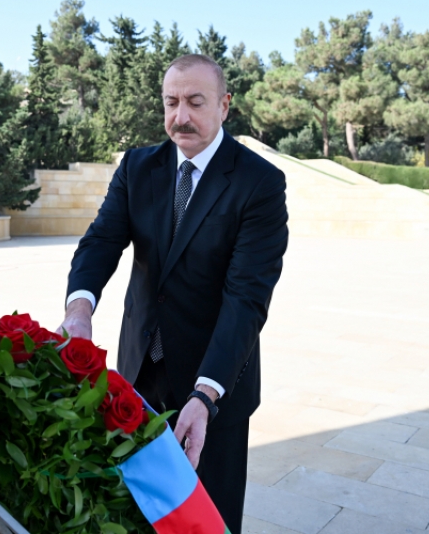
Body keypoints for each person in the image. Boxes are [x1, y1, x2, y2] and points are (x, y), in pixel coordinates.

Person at [57, 54, 288, 534]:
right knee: (133, 516)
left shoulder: (260, 183)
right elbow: (101, 241)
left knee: (207, 520)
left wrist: (206, 395)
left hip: (214, 386)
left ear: (224, 105)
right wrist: (79, 309)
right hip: (138, 376)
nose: (180, 116)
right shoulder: (137, 167)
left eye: (195, 102)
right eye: (171, 102)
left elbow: (246, 298)